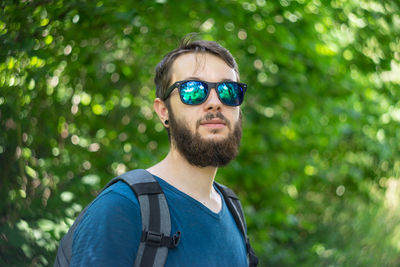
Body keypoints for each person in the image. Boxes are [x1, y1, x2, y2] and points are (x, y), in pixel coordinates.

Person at [61, 35, 256, 266]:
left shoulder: (233, 211)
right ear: (163, 111)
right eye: (193, 89)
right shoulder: (121, 208)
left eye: (228, 90)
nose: (215, 101)